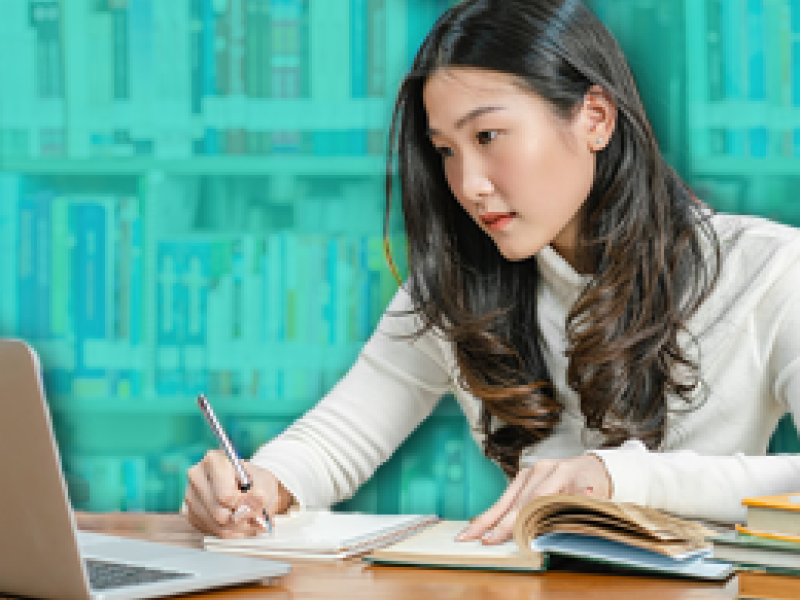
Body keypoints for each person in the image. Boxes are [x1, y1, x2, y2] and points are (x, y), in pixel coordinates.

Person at [184, 0, 800, 543]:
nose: (469, 185)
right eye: (447, 150)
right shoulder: (460, 286)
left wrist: (624, 476)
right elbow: (338, 438)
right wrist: (258, 484)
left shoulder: (766, 269)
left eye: (489, 135)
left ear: (595, 119)